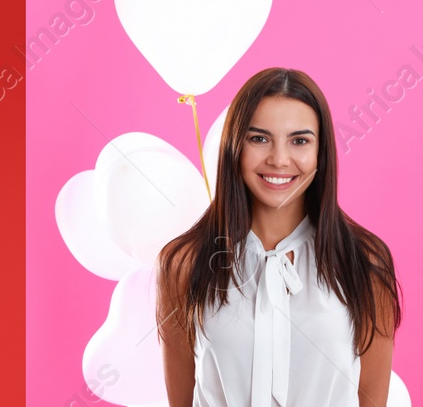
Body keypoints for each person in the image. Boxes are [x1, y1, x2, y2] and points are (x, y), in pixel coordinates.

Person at [158, 67, 401, 407]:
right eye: (259, 138)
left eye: (299, 141)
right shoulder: (184, 263)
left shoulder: (363, 260)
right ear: (235, 147)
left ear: (321, 153)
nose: (279, 159)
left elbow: (372, 401)